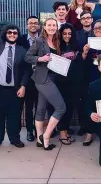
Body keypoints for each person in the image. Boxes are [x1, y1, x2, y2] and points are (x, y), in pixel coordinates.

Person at [25, 18, 66, 150]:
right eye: (49, 25)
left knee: (41, 109)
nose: (52, 27)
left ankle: (39, 139)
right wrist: (41, 58)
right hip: (43, 79)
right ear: (44, 26)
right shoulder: (39, 41)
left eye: (54, 25)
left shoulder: (57, 41)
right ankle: (46, 136)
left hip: (54, 78)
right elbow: (27, 57)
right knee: (61, 107)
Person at [56, 23, 89, 145]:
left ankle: (65, 131)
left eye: (69, 33)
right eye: (64, 33)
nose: (67, 36)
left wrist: (84, 54)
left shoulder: (77, 45)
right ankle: (62, 133)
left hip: (75, 82)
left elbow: (81, 63)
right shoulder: (57, 46)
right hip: (61, 82)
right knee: (63, 108)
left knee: (70, 108)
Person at [18, 16, 40, 142]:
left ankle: (38, 131)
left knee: (40, 106)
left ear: (39, 25)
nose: (33, 25)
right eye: (30, 23)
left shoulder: (42, 39)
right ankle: (30, 131)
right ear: (27, 26)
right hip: (26, 78)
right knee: (28, 106)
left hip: (41, 77)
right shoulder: (20, 39)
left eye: (35, 23)